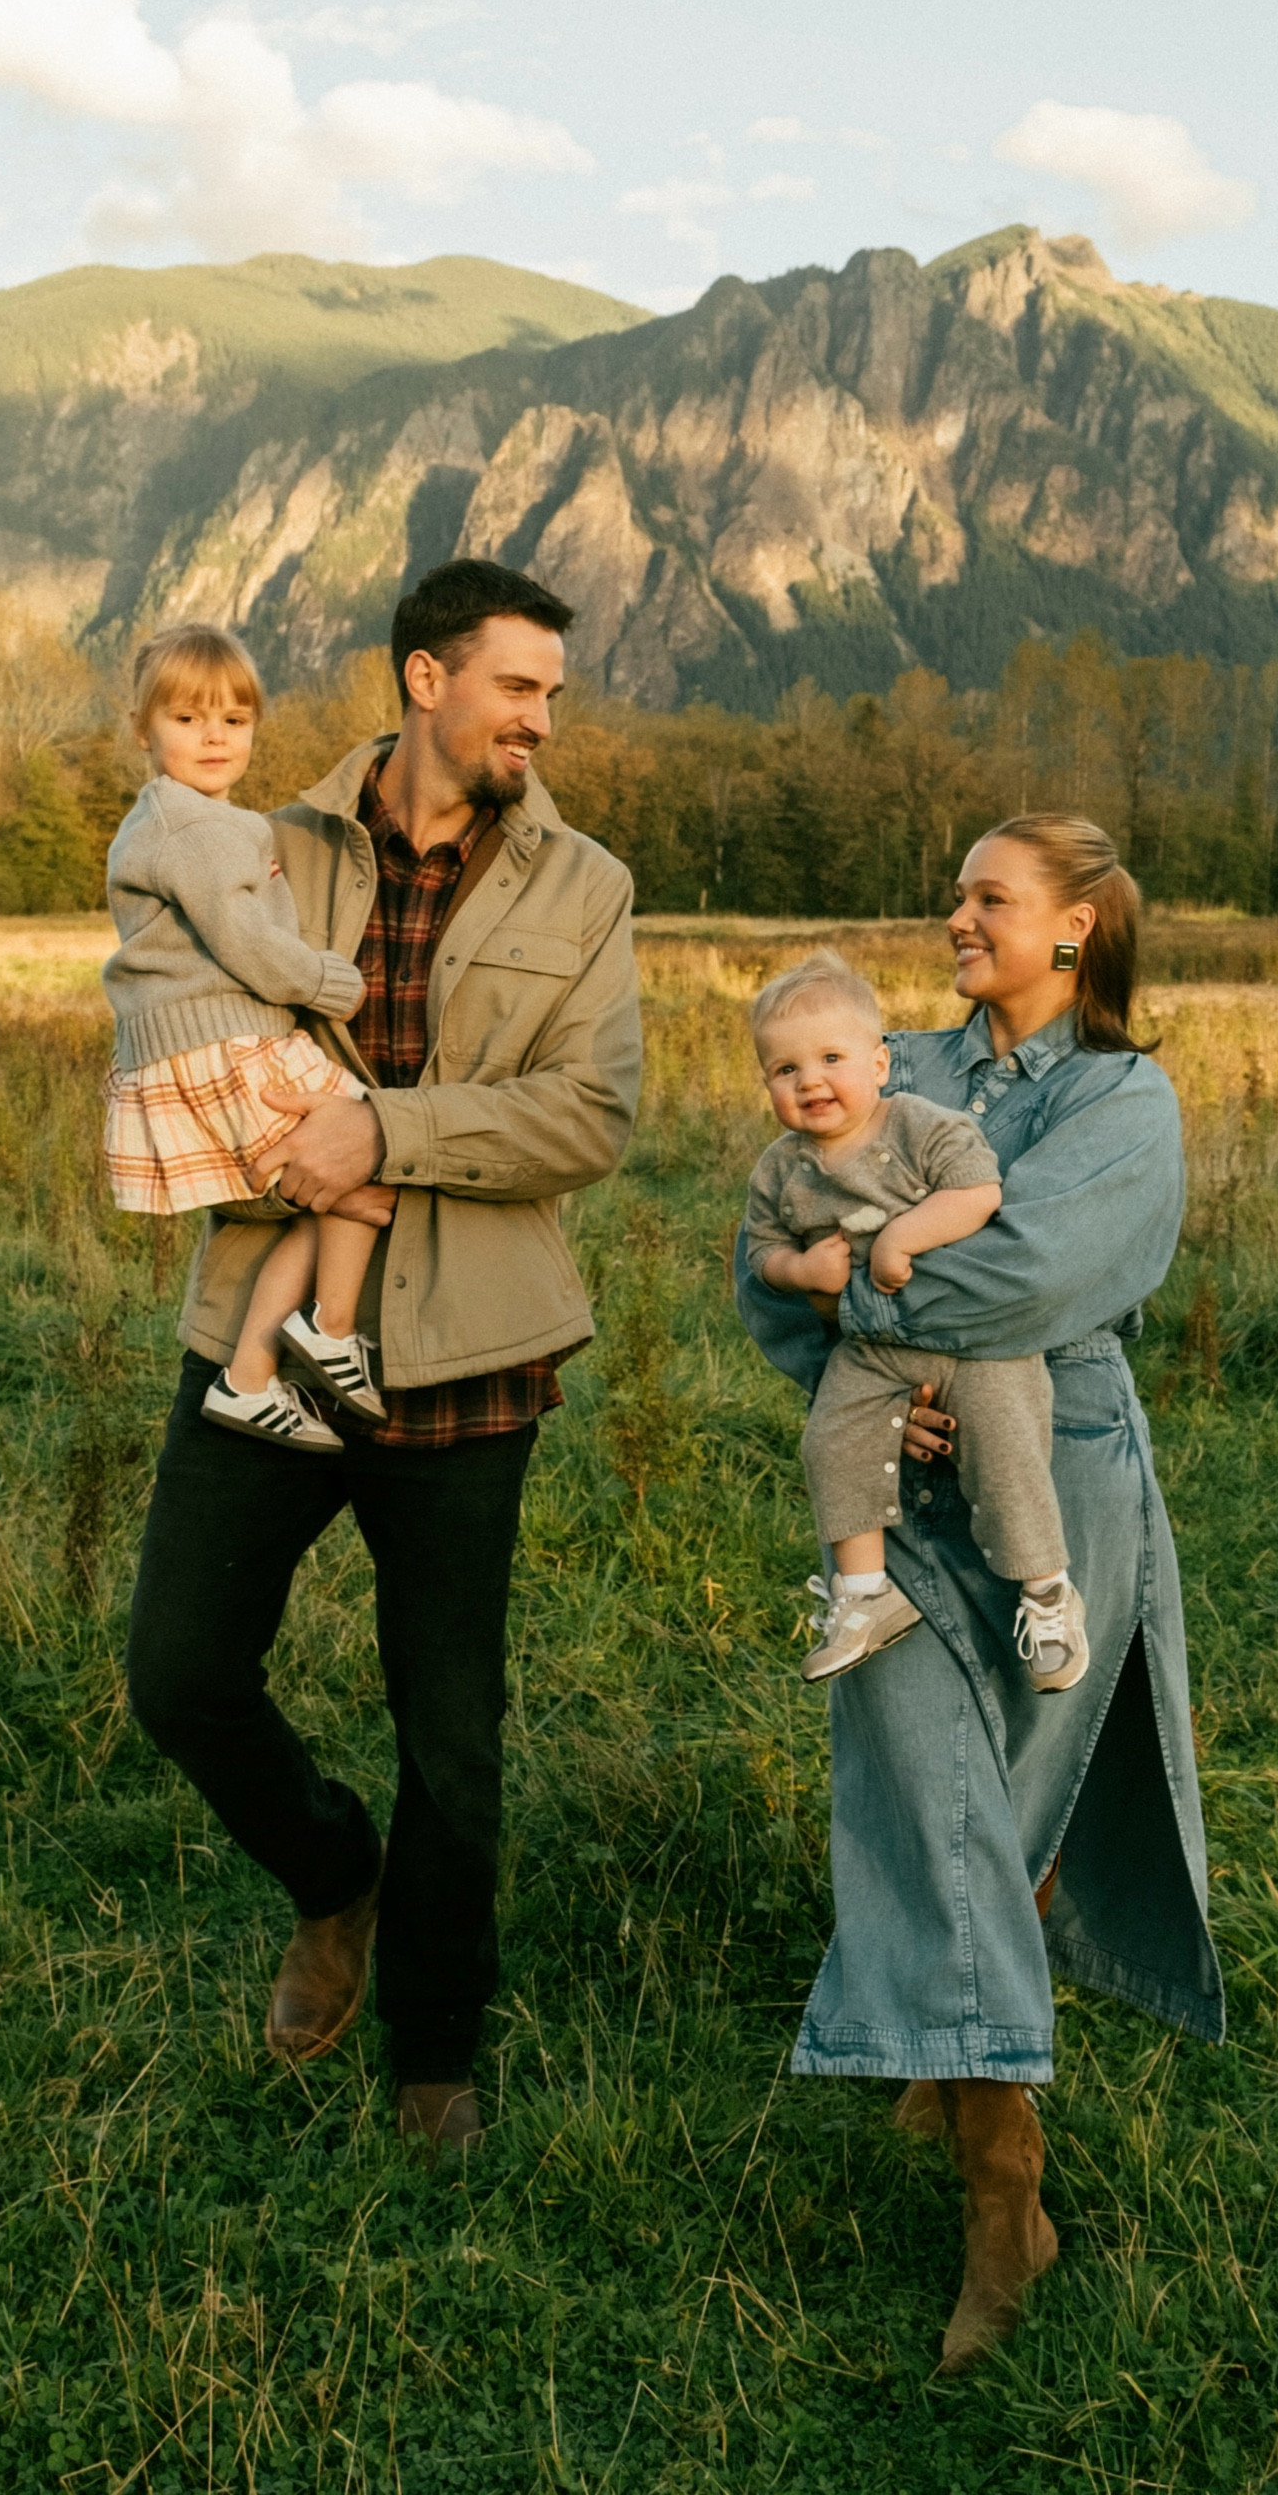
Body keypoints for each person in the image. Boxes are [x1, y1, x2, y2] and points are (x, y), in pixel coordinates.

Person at [125, 559, 642, 2160]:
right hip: (272, 1329)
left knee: (455, 1736)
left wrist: (384, 1128)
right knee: (182, 1671)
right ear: (425, 679)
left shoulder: (589, 887)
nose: (541, 720)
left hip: (473, 1354)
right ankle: (331, 1876)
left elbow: (591, 1113)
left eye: (551, 694)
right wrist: (268, 1132)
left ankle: (434, 2047)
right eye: (518, 687)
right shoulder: (259, 841)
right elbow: (177, 1020)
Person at [736, 814, 1224, 2371]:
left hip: (1051, 1473)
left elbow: (1033, 1276)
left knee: (997, 1807)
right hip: (896, 1472)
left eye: (988, 897)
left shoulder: (1121, 1098)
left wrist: (855, 1278)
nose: (955, 916)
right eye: (952, 891)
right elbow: (759, 1253)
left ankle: (966, 2097)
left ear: (1076, 927)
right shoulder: (908, 1070)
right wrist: (853, 1330)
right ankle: (1001, 2187)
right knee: (922, 1795)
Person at [741, 950, 1086, 1687]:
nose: (810, 1082)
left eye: (831, 1058)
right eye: (785, 1070)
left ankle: (1046, 1591)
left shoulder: (921, 1126)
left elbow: (978, 1191)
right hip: (869, 1348)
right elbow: (762, 1251)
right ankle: (865, 1595)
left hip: (976, 1341)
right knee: (831, 1441)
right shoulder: (781, 1167)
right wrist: (799, 1271)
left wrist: (902, 1236)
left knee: (1005, 1452)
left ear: (877, 1063)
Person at [102, 622, 388, 1445]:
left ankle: (250, 1377)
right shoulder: (196, 828)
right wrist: (336, 983)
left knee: (317, 1199)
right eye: (188, 719)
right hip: (227, 1044)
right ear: (145, 729)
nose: (215, 736)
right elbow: (252, 949)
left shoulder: (181, 819)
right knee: (361, 1158)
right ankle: (330, 1332)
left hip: (195, 1046)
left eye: (233, 719)